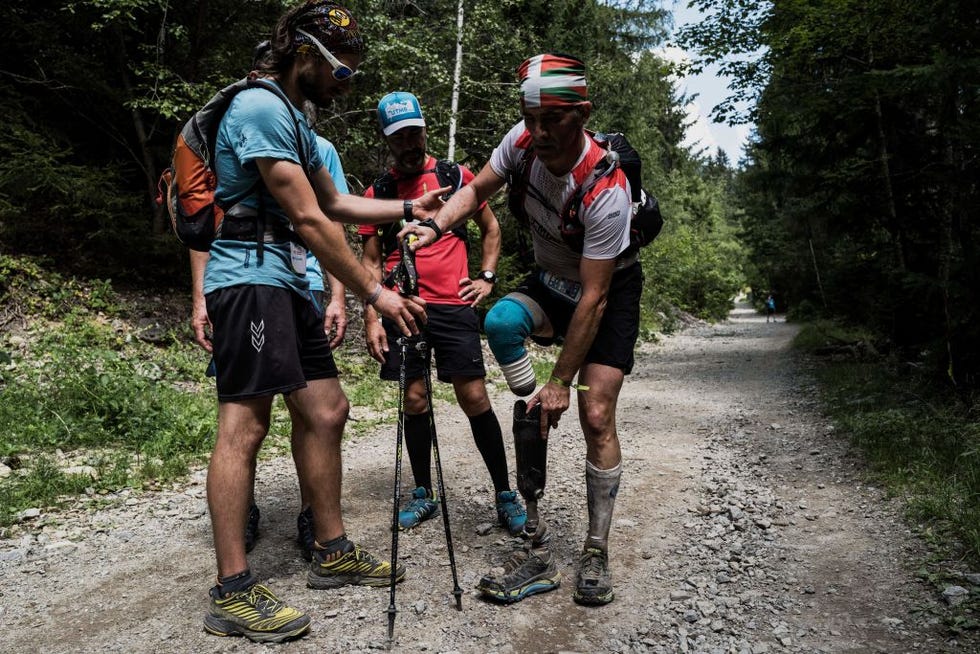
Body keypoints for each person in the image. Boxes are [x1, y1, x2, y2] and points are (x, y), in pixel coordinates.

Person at [196, 1, 449, 644]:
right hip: (249, 280)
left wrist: (407, 204)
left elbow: (334, 201)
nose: (346, 83)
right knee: (245, 422)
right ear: (304, 55)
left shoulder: (297, 121)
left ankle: (331, 549)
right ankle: (233, 589)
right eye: (342, 70)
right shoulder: (258, 108)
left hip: (286, 283)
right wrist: (373, 293)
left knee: (327, 409)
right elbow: (310, 220)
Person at [402, 53, 642, 607]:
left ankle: (595, 548)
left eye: (552, 120)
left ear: (582, 114)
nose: (538, 133)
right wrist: (433, 225)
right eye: (529, 118)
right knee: (502, 321)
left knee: (596, 411)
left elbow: (595, 299)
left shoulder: (607, 190)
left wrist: (563, 380)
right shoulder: (522, 140)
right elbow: (475, 190)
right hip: (550, 280)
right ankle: (533, 526)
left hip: (605, 291)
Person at [358, 91, 526, 535]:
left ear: (425, 129)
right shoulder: (380, 193)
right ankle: (422, 493)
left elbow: (491, 228)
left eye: (415, 133)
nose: (410, 143)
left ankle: (505, 493)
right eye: (400, 137)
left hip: (453, 305)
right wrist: (372, 317)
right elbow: (370, 261)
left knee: (474, 398)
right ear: (387, 139)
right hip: (403, 306)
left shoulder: (455, 176)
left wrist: (486, 277)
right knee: (414, 399)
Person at [191, 133, 351, 559]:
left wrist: (337, 295)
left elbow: (331, 218)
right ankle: (236, 550)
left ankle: (313, 518)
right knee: (247, 416)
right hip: (250, 280)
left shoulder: (319, 147)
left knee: (317, 409)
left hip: (303, 284)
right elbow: (204, 220)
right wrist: (200, 297)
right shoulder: (244, 128)